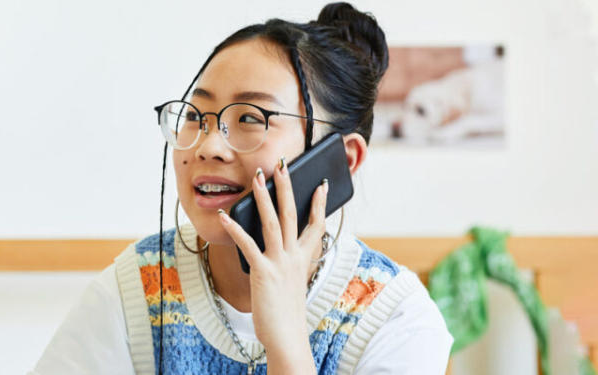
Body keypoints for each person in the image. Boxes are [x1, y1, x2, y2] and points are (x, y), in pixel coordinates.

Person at [30, 3, 453, 374]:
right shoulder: (135, 291)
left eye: (251, 119)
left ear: (342, 159)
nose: (208, 146)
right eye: (197, 115)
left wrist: (286, 337)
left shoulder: (393, 316)